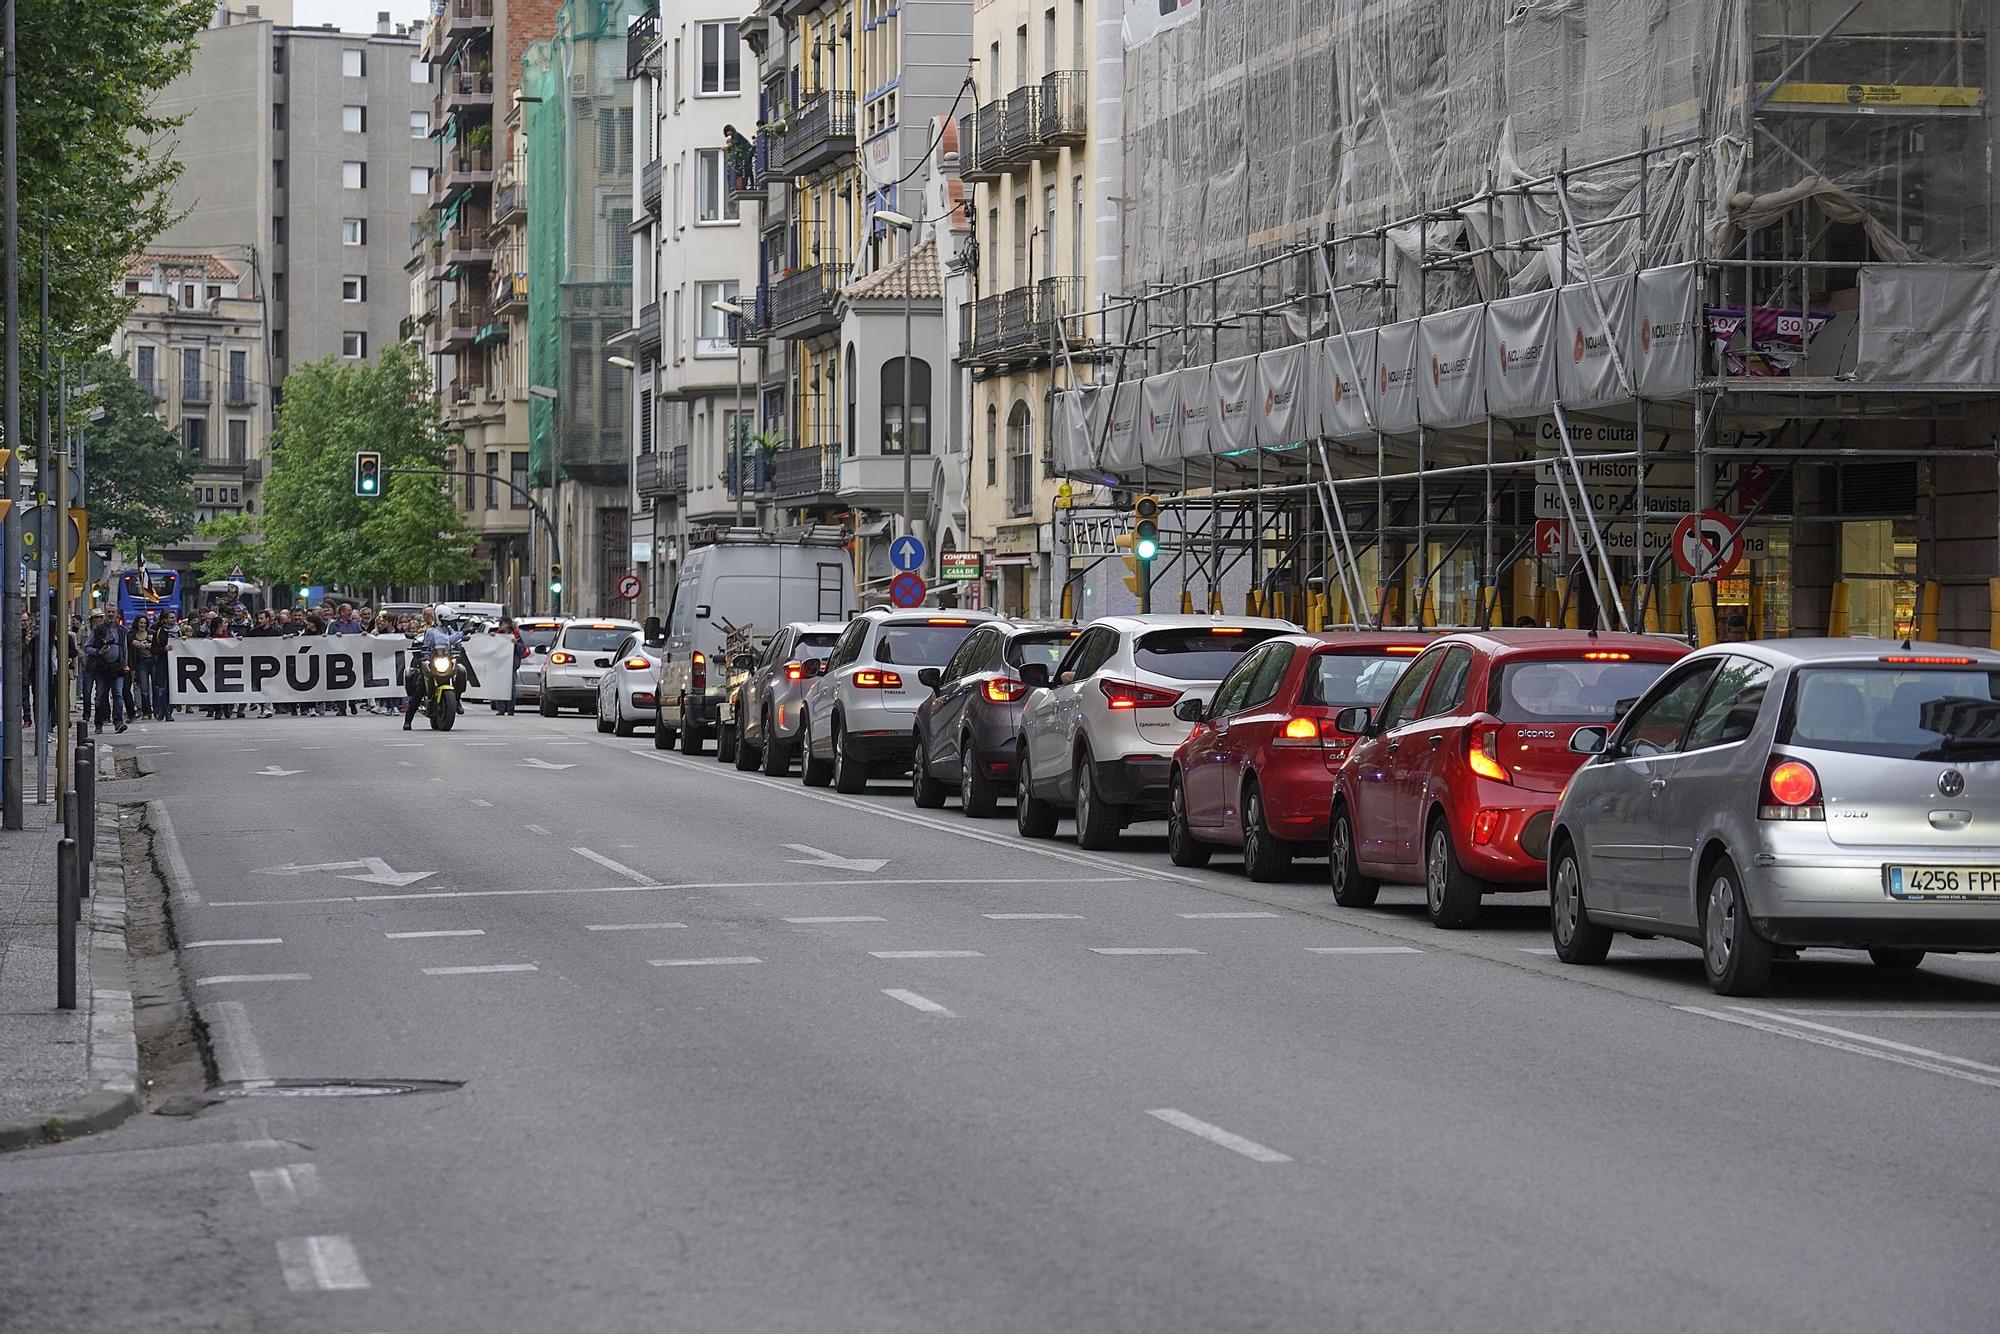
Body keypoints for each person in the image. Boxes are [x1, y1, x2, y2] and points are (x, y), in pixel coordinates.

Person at [404, 607, 468, 730]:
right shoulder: (432, 632)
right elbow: (446, 640)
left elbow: (455, 639)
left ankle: (457, 698)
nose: (449, 623)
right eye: (446, 621)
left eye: (450, 621)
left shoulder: (449, 630)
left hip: (446, 659)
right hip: (432, 661)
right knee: (419, 688)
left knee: (460, 671)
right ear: (439, 620)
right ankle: (408, 719)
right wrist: (424, 656)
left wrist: (463, 637)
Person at [80, 610, 128, 733]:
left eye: (113, 612)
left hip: (117, 667)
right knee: (101, 696)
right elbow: (86, 647)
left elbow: (125, 649)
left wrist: (125, 664)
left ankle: (118, 722)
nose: (111, 614)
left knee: (118, 694)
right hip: (101, 668)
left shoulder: (122, 630)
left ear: (117, 614)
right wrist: (98, 652)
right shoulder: (98, 629)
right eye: (109, 612)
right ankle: (99, 723)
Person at [489, 617, 526, 715]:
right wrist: (491, 638)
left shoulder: (516, 636)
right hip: (499, 666)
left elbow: (522, 651)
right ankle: (501, 708)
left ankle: (510, 709)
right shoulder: (497, 635)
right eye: (501, 624)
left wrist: (516, 644)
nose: (501, 626)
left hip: (511, 666)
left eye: (504, 624)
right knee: (499, 688)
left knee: (511, 689)